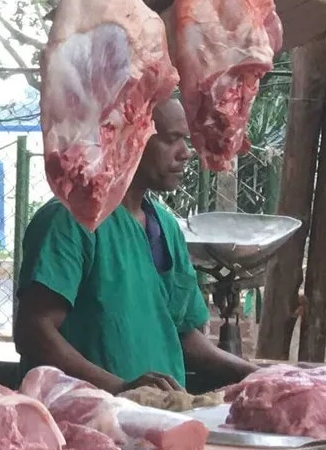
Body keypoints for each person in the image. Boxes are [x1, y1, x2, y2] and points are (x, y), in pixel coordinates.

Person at [14, 94, 257, 394]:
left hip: (160, 413)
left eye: (185, 140)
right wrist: (120, 388)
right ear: (131, 138)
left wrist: (256, 374)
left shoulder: (166, 226)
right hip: (85, 413)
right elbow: (34, 332)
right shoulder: (70, 220)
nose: (185, 153)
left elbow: (184, 334)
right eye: (171, 139)